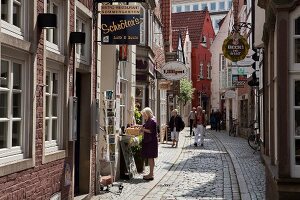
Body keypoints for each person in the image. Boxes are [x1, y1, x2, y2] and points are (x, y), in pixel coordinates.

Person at [140, 107, 158, 181]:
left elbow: (151, 131)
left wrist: (143, 129)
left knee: (151, 158)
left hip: (151, 142)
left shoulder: (152, 121)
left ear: (147, 114)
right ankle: (151, 173)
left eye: (144, 114)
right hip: (149, 141)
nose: (143, 116)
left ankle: (151, 174)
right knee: (151, 158)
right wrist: (141, 127)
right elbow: (145, 126)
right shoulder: (149, 120)